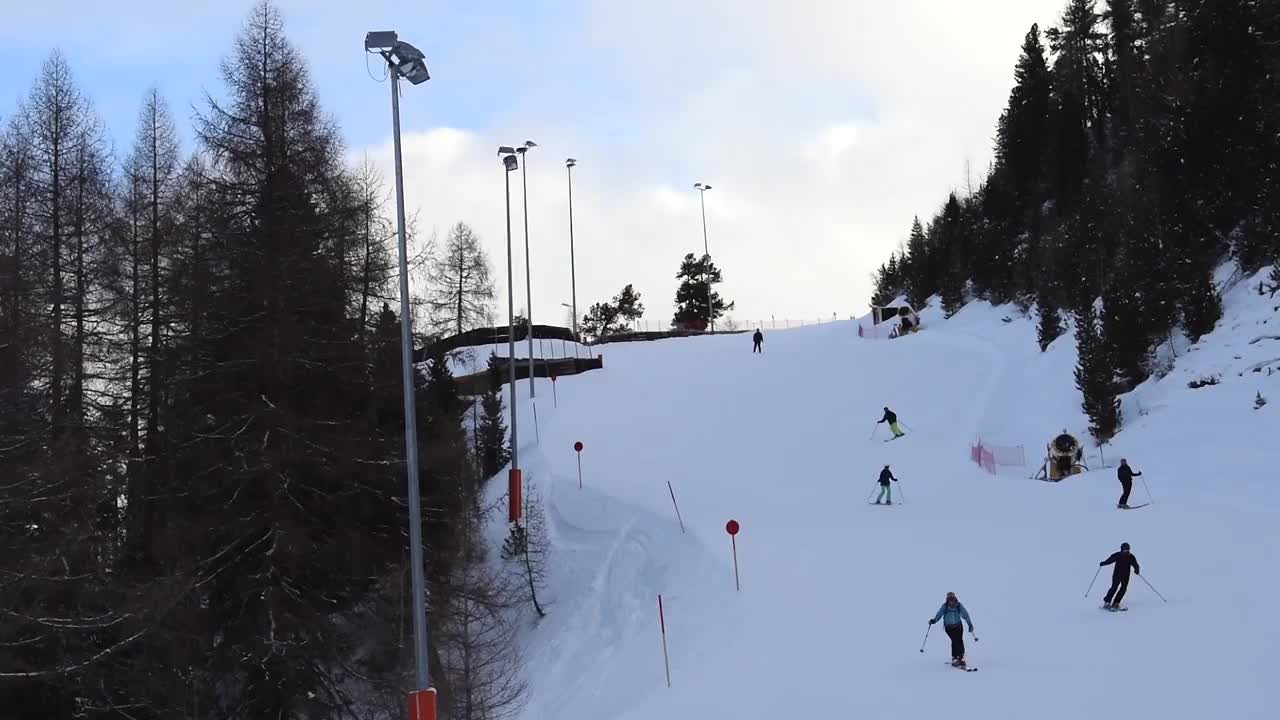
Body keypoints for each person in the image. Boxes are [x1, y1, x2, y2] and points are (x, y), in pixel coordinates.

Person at [928, 592, 975, 666]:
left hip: (958, 626)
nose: (951, 601)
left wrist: (970, 624)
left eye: (952, 599)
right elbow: (939, 614)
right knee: (954, 640)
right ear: (947, 600)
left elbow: (965, 614)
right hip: (949, 627)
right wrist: (934, 620)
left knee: (959, 640)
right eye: (949, 599)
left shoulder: (959, 606)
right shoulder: (945, 606)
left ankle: (961, 656)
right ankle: (955, 657)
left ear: (955, 599)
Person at [1099, 542, 1141, 610]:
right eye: (1124, 550)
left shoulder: (1131, 557)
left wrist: (1137, 569)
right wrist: (1104, 563)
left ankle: (1116, 602)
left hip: (1126, 575)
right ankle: (1107, 602)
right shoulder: (1117, 555)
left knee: (1123, 588)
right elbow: (1110, 560)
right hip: (1117, 574)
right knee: (1114, 587)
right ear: (1121, 549)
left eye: (1127, 550)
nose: (1126, 552)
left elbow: (1135, 564)